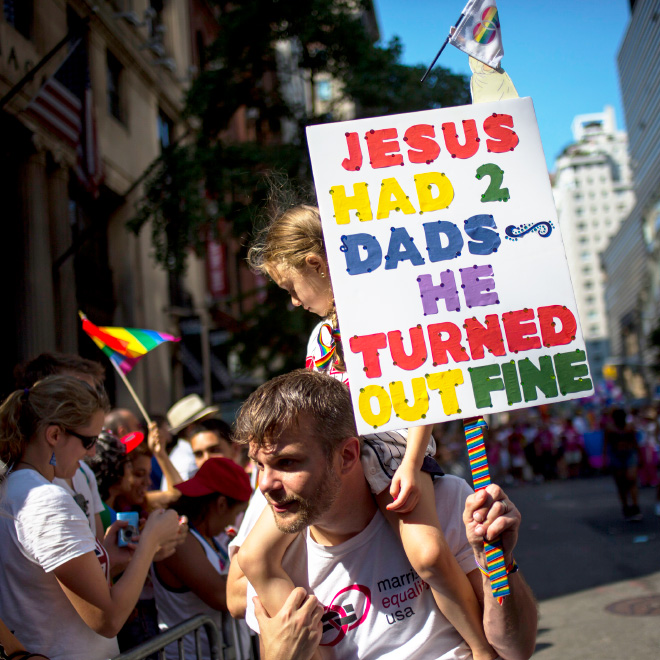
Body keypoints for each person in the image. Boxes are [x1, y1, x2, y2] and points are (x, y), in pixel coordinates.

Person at [239, 203, 494, 659]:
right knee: (254, 558)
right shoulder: (320, 339)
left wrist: (414, 465)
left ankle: (481, 648)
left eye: (291, 287)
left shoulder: (388, 318)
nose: (293, 301)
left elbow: (427, 391)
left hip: (395, 452)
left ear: (315, 265)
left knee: (429, 556)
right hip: (340, 451)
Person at [232, 370, 537, 659]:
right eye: (259, 465)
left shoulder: (448, 502)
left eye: (287, 462)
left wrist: (498, 567)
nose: (264, 485)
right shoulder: (275, 560)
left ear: (348, 455)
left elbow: (515, 651)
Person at [0, 375, 184, 660]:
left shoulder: (13, 488)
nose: (93, 453)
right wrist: (149, 542)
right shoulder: (45, 500)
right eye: (88, 441)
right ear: (55, 435)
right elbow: (106, 620)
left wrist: (108, 553)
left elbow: (46, 583)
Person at [152, 457, 252, 660]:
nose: (233, 521)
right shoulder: (180, 539)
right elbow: (222, 596)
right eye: (237, 513)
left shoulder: (208, 537)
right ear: (222, 504)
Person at [162, 394, 221, 488]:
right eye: (207, 423)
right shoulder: (189, 464)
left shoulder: (182, 454)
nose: (212, 427)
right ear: (191, 429)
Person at [603, 407, 642, 521]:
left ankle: (635, 506)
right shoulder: (610, 428)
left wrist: (640, 456)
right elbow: (606, 444)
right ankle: (626, 507)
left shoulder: (630, 427)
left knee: (632, 479)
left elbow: (635, 442)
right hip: (617, 455)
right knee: (621, 484)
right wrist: (605, 459)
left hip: (629, 454)